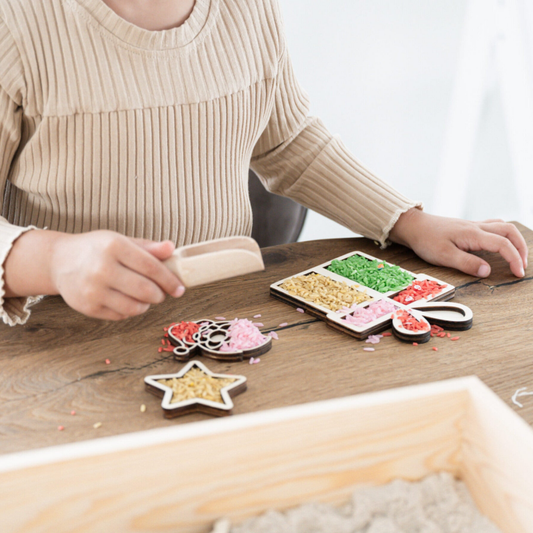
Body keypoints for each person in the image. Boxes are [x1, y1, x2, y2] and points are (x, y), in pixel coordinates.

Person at [0, 0, 527, 325]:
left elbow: (288, 140)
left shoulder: (248, 8)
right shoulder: (16, 24)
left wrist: (408, 221)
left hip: (224, 314)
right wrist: (56, 261)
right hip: (59, 333)